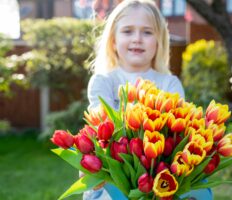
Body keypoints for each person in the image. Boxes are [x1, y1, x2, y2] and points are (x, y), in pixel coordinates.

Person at [85, 0, 213, 199]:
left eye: (147, 32)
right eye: (127, 31)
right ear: (113, 41)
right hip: (113, 181)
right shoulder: (103, 81)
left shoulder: (169, 83)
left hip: (160, 178)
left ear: (159, 41)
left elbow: (176, 134)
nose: (137, 39)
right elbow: (104, 132)